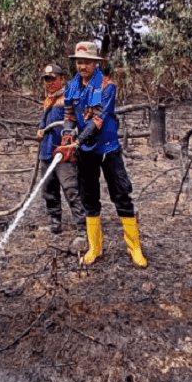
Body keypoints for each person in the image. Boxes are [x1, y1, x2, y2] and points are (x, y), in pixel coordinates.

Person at [54, 42, 148, 267]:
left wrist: (77, 141)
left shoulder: (108, 86)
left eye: (86, 62)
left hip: (108, 148)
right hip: (85, 151)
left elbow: (99, 119)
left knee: (121, 193)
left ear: (96, 63)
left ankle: (134, 247)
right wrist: (67, 135)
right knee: (89, 196)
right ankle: (95, 247)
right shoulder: (72, 87)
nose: (82, 66)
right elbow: (69, 113)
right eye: (79, 62)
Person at [36, 63, 87, 245]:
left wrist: (72, 140)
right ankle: (55, 222)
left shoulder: (69, 98)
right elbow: (44, 121)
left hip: (65, 153)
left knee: (71, 190)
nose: (49, 83)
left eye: (52, 79)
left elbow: (77, 122)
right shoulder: (48, 100)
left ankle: (82, 230)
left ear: (61, 79)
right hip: (47, 151)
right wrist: (41, 130)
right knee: (49, 190)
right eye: (46, 80)